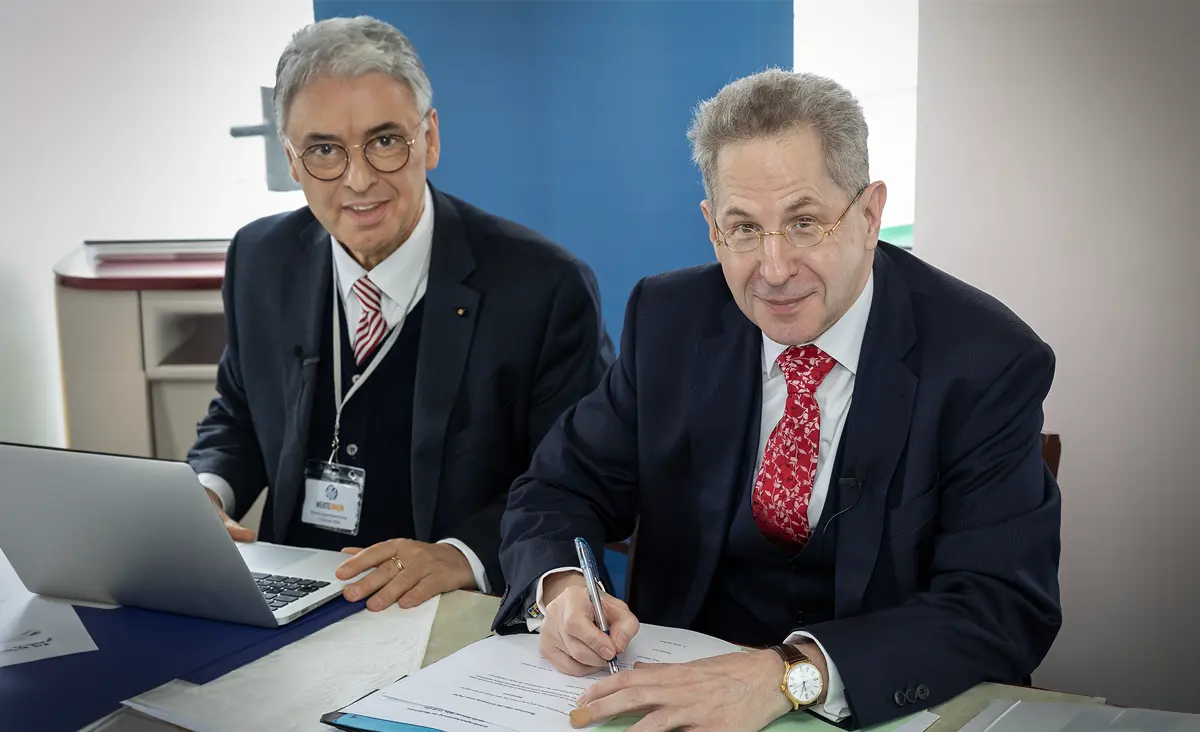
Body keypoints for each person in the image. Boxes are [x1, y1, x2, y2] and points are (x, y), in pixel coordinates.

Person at [492, 69, 1061, 731]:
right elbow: (558, 487)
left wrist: (790, 673)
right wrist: (562, 586)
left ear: (869, 215)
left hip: (878, 705)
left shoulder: (985, 361)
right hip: (675, 695)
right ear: (712, 228)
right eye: (743, 228)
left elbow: (1001, 605)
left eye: (805, 223)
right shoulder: (669, 319)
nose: (774, 269)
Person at [188, 16, 613, 614]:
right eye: (324, 151)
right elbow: (238, 415)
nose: (359, 180)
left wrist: (462, 555)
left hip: (453, 611)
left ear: (429, 139)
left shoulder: (544, 287)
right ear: (292, 160)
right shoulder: (260, 258)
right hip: (293, 601)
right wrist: (205, 494)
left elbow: (580, 481)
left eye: (385, 141)